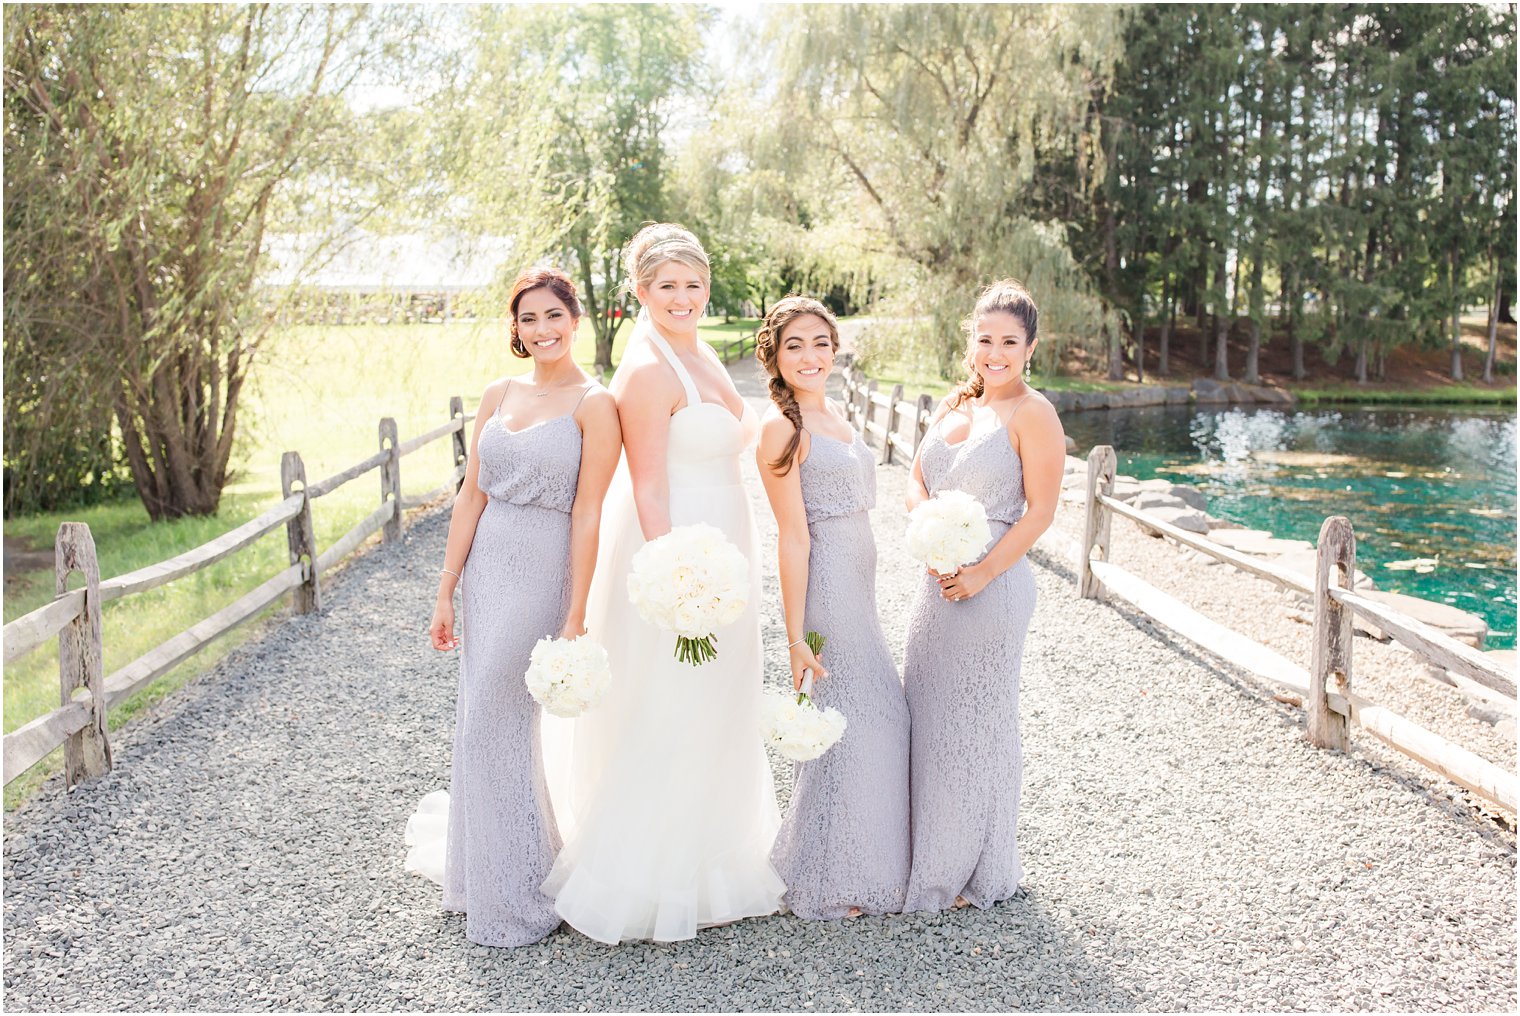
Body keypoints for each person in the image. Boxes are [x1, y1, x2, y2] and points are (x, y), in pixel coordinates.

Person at [541, 223, 786, 944]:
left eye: (694, 284)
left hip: (725, 546)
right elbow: (647, 485)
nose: (684, 298)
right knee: (674, 702)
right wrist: (680, 581)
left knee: (717, 698)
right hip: (677, 556)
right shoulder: (647, 371)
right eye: (667, 287)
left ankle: (711, 861)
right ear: (641, 293)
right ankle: (648, 876)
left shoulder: (700, 350)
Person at [405, 267, 620, 947]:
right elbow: (472, 494)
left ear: (575, 320)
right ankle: (483, 881)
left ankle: (522, 896)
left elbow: (589, 513)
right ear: (516, 329)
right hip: (486, 568)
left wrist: (576, 609)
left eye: (554, 316)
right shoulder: (498, 393)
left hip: (543, 567)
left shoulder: (595, 403)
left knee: (495, 725)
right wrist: (445, 585)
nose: (542, 330)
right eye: (529, 319)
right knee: (478, 724)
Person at [900, 278, 1065, 913]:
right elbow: (917, 478)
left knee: (976, 722)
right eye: (984, 339)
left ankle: (973, 866)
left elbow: (1041, 513)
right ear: (970, 342)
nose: (995, 352)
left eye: (1009, 342)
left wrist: (981, 573)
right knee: (930, 715)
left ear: (1029, 348)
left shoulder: (1034, 413)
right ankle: (926, 854)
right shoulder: (953, 406)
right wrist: (926, 522)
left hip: (990, 587)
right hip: (933, 580)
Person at [755, 296, 911, 920]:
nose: (810, 355)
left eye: (820, 342)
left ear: (835, 348)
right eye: (795, 345)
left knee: (873, 721)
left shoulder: (837, 413)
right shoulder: (781, 429)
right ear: (775, 355)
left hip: (862, 589)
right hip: (829, 593)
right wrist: (796, 636)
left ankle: (862, 861)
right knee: (858, 722)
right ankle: (826, 876)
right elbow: (792, 536)